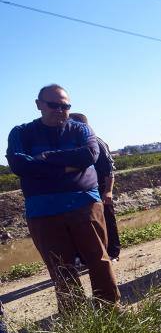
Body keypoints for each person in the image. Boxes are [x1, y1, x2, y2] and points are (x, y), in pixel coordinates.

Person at [6, 84, 121, 312]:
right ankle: (75, 319)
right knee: (60, 268)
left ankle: (110, 309)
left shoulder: (81, 130)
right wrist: (66, 166)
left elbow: (89, 154)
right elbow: (19, 164)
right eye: (53, 105)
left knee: (99, 259)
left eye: (65, 105)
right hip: (43, 211)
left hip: (84, 204)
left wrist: (43, 159)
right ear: (39, 105)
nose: (60, 110)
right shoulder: (20, 132)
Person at [70, 113, 121, 260]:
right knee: (85, 225)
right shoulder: (73, 146)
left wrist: (108, 191)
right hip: (82, 193)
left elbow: (109, 170)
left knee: (107, 221)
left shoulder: (97, 142)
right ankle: (88, 256)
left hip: (101, 189)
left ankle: (112, 253)